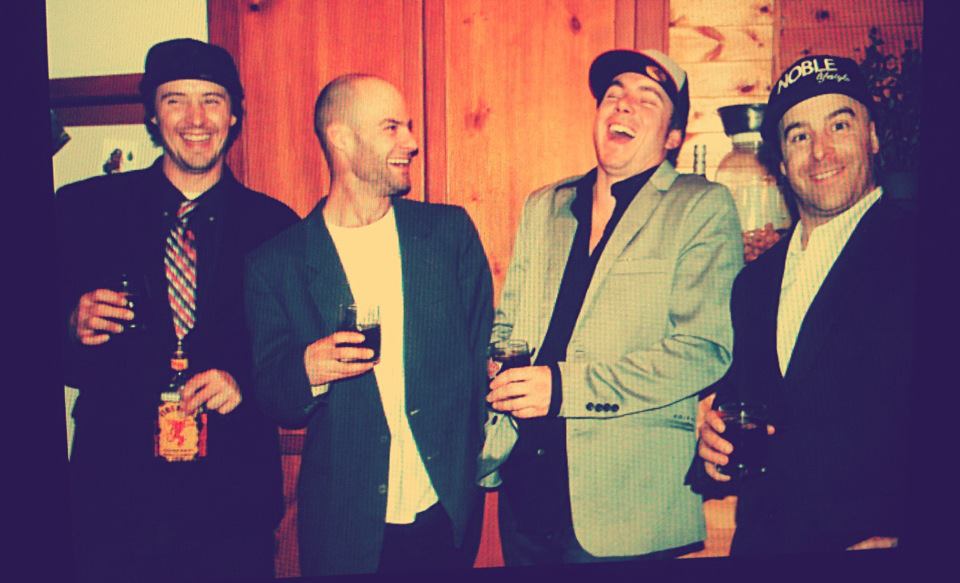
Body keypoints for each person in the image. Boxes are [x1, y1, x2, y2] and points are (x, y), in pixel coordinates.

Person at [476, 49, 743, 564]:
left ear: (673, 137)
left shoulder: (701, 206)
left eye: (648, 99)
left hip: (626, 508)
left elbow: (704, 349)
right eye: (614, 94)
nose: (623, 105)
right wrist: (497, 358)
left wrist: (563, 388)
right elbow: (510, 322)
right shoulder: (544, 205)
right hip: (525, 493)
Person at [56, 39, 298, 582]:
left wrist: (246, 383)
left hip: (231, 508)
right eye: (175, 100)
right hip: (111, 502)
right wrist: (66, 326)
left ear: (234, 115)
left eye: (211, 100)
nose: (196, 119)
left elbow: (296, 360)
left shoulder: (278, 227)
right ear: (152, 114)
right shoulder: (82, 210)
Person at [244, 74, 493, 576]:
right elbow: (273, 394)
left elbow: (479, 360)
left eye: (408, 127)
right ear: (341, 137)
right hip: (345, 527)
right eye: (391, 127)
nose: (411, 142)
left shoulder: (448, 234)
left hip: (445, 514)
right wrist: (307, 370)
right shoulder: (276, 263)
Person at [695, 54, 915, 554]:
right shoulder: (754, 283)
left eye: (839, 125)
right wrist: (712, 447)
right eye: (799, 135)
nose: (820, 151)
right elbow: (744, 406)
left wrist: (916, 535)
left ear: (872, 136)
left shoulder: (926, 251)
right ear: (779, 160)